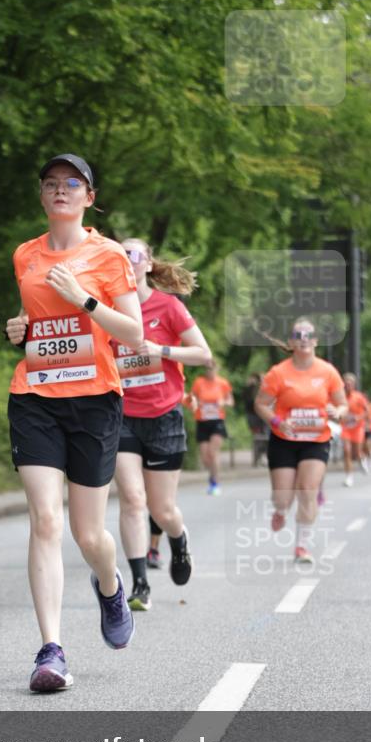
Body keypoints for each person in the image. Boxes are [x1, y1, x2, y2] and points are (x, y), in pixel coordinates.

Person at [5, 153, 143, 693]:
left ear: (89, 197)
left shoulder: (108, 256)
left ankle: (110, 586)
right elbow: (36, 324)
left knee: (90, 534)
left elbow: (132, 334)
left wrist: (82, 299)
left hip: (94, 401)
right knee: (45, 519)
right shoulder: (25, 254)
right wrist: (17, 330)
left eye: (72, 184)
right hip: (34, 394)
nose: (60, 190)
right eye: (51, 184)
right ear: (42, 196)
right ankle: (51, 651)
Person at [112, 238, 212, 611]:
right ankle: (139, 585)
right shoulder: (108, 312)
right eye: (119, 255)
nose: (127, 260)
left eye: (134, 254)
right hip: (122, 417)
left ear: (148, 263)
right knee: (132, 500)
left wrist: (161, 351)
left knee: (162, 509)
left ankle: (178, 539)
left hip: (164, 415)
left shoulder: (167, 307)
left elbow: (204, 354)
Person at [254, 317, 346, 564]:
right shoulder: (278, 373)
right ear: (292, 342)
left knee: (307, 490)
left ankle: (302, 546)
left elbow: (343, 404)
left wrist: (338, 412)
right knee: (283, 496)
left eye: (308, 335)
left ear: (315, 341)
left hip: (316, 439)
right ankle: (281, 510)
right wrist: (276, 422)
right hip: (284, 438)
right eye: (298, 335)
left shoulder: (327, 372)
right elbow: (261, 404)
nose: (304, 340)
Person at [188, 361, 233, 495]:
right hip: (202, 421)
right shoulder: (199, 382)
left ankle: (216, 482)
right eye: (207, 368)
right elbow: (191, 399)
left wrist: (223, 402)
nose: (209, 371)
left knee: (213, 452)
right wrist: (197, 403)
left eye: (212, 368)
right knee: (205, 457)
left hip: (217, 421)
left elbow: (231, 401)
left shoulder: (222, 383)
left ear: (217, 368)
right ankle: (212, 475)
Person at [341, 372, 371, 487]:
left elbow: (367, 411)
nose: (348, 385)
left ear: (354, 385)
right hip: (345, 428)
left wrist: (358, 417)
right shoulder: (340, 396)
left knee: (357, 453)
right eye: (346, 383)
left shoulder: (359, 397)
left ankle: (362, 460)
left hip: (357, 428)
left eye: (350, 383)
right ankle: (349, 477)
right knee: (347, 451)